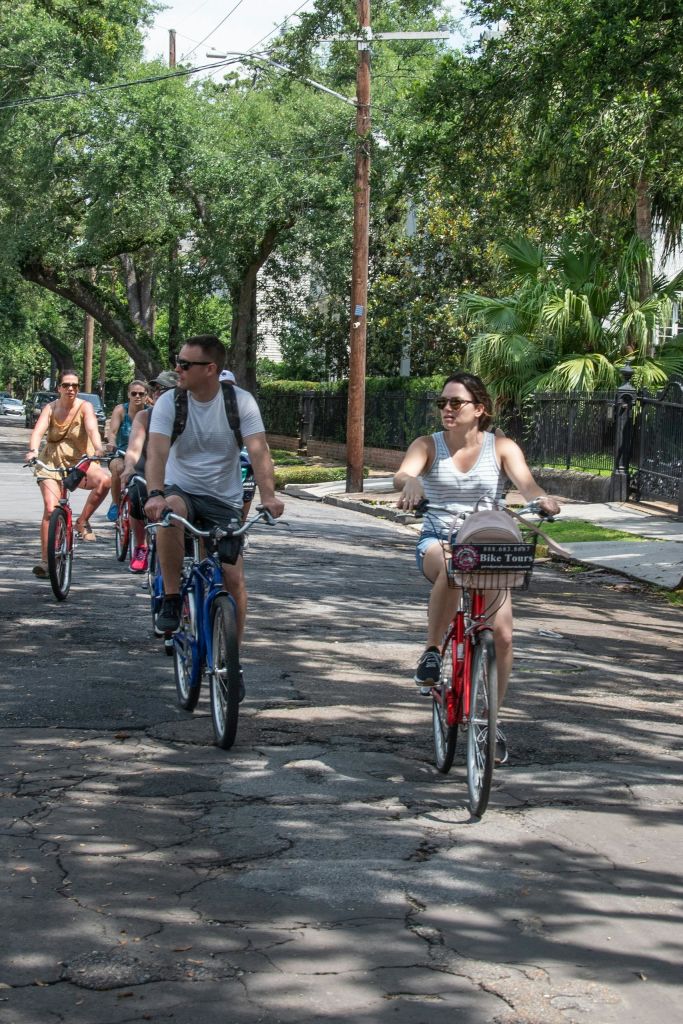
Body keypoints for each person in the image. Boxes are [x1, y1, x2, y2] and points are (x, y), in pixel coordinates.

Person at [394, 371, 560, 757]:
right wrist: (410, 483)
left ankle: (491, 720)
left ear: (479, 409)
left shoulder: (502, 447)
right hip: (439, 541)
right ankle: (432, 652)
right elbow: (404, 472)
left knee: (502, 635)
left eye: (456, 403)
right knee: (452, 569)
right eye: (443, 403)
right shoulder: (427, 445)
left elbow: (528, 486)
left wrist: (543, 500)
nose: (447, 409)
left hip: (486, 545)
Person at [144, 335, 285, 662]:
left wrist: (269, 496)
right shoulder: (170, 402)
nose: (177, 369)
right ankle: (172, 596)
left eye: (184, 364)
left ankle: (230, 659)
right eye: (178, 361)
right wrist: (154, 494)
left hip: (224, 500)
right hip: (182, 489)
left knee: (233, 579)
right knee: (169, 513)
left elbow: (259, 451)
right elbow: (156, 453)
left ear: (210, 369)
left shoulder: (240, 402)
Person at [25, 368, 111, 577]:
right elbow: (38, 431)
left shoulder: (85, 407)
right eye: (66, 385)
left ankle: (82, 522)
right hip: (51, 461)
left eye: (74, 385)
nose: (70, 389)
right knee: (50, 508)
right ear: (59, 388)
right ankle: (47, 562)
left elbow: (92, 429)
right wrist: (33, 451)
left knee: (105, 480)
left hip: (80, 461)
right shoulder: (50, 408)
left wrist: (98, 448)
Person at [120, 370, 179, 573]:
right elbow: (134, 448)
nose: (157, 394)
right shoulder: (145, 416)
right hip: (147, 471)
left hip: (177, 476)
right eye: (156, 390)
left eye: (164, 390)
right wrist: (128, 467)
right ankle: (141, 546)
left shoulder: (188, 416)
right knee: (136, 492)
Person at [105, 381, 149, 522]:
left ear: (146, 396)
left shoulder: (150, 412)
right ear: (128, 395)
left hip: (142, 456)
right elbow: (112, 433)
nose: (137, 396)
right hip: (122, 453)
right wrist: (111, 443)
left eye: (141, 394)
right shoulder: (120, 410)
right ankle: (116, 502)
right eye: (134, 393)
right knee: (118, 467)